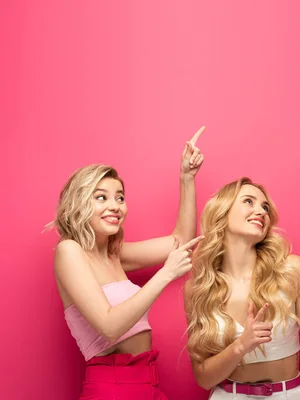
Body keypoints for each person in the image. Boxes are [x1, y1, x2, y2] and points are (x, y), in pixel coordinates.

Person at [50, 127, 206, 399]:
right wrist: (165, 275)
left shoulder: (114, 253)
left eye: (119, 197)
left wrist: (187, 178)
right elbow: (109, 327)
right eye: (101, 197)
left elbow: (180, 240)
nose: (115, 206)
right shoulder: (69, 251)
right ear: (79, 202)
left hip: (149, 382)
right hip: (113, 386)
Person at [184, 177, 300, 399]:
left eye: (265, 206)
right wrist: (241, 346)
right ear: (222, 211)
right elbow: (203, 378)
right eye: (249, 201)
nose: (261, 211)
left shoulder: (291, 269)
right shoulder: (199, 288)